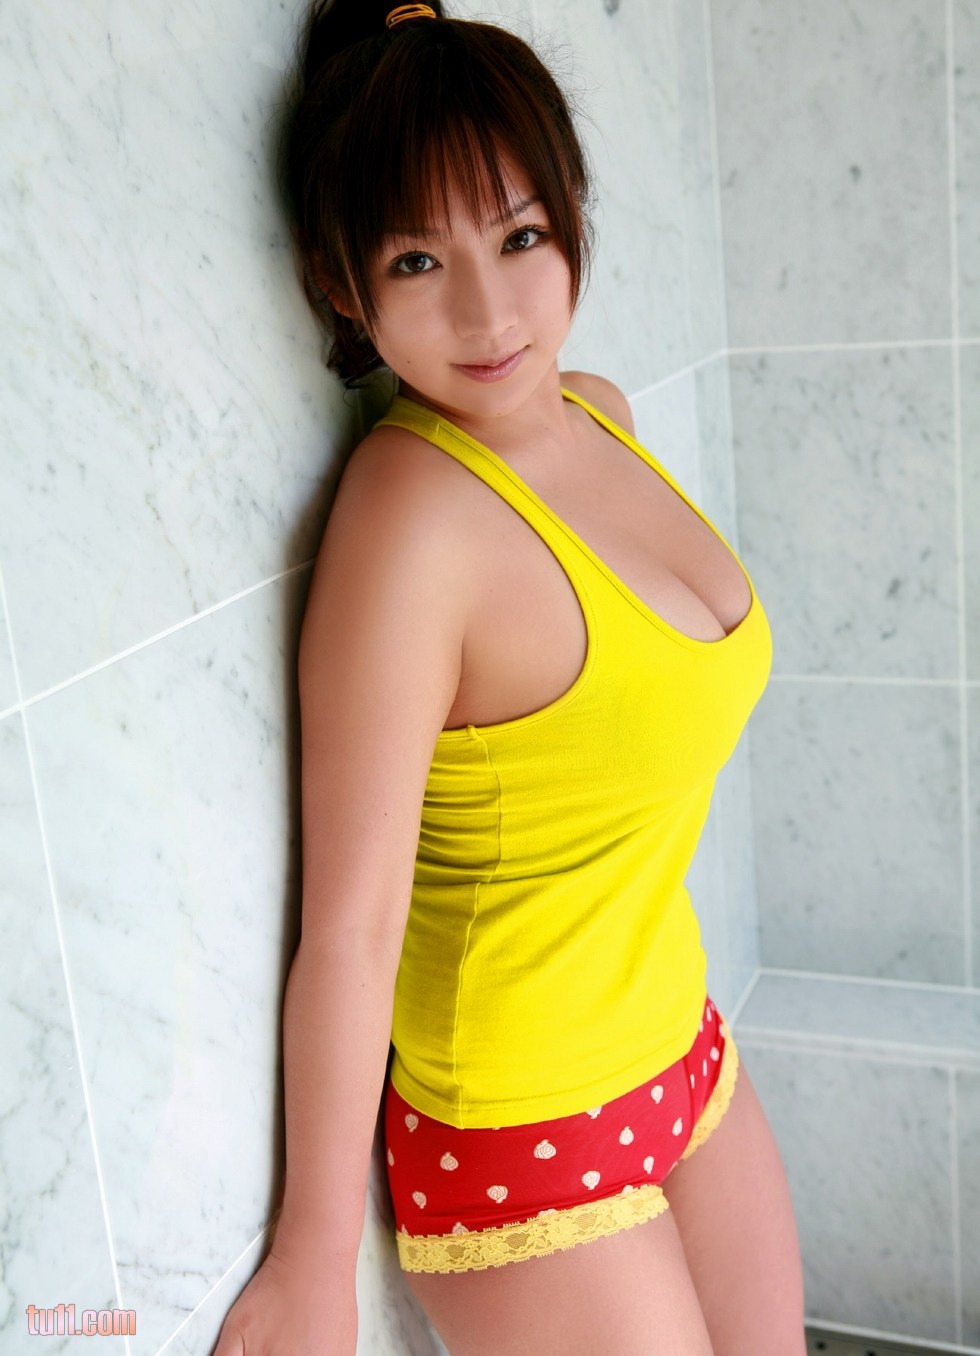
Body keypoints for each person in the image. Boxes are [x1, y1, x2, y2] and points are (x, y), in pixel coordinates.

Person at [214, 3, 806, 1353]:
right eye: (418, 259)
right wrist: (312, 1259)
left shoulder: (601, 412)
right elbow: (352, 924)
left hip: (682, 1043)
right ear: (344, 287)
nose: (486, 313)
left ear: (572, 219)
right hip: (520, 1125)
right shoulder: (408, 522)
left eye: (521, 236)